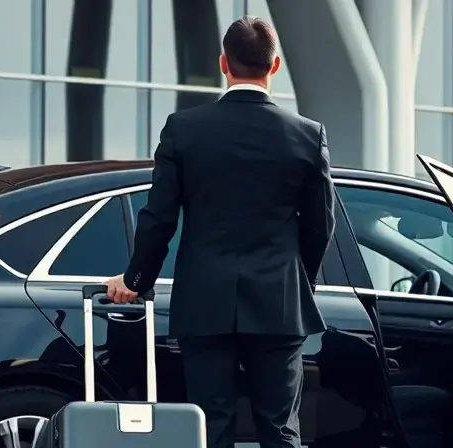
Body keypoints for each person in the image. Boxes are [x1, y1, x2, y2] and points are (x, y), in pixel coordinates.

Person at [102, 16, 334, 448]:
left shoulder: (184, 129)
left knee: (210, 429)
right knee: (280, 429)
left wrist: (136, 280)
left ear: (223, 63)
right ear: (276, 66)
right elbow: (321, 226)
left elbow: (159, 218)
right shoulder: (307, 135)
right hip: (278, 305)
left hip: (204, 301)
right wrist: (295, 280)